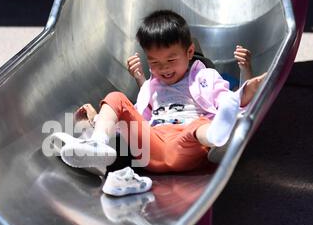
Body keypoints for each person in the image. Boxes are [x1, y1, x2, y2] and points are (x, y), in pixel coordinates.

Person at [60, 10, 266, 174]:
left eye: (171, 60)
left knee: (200, 124)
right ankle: (97, 143)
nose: (164, 68)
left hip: (186, 146)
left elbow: (229, 101)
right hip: (150, 149)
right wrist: (95, 119)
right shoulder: (152, 86)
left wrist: (250, 83)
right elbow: (139, 114)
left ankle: (217, 137)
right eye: (155, 63)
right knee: (116, 98)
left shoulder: (205, 78)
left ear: (190, 54)